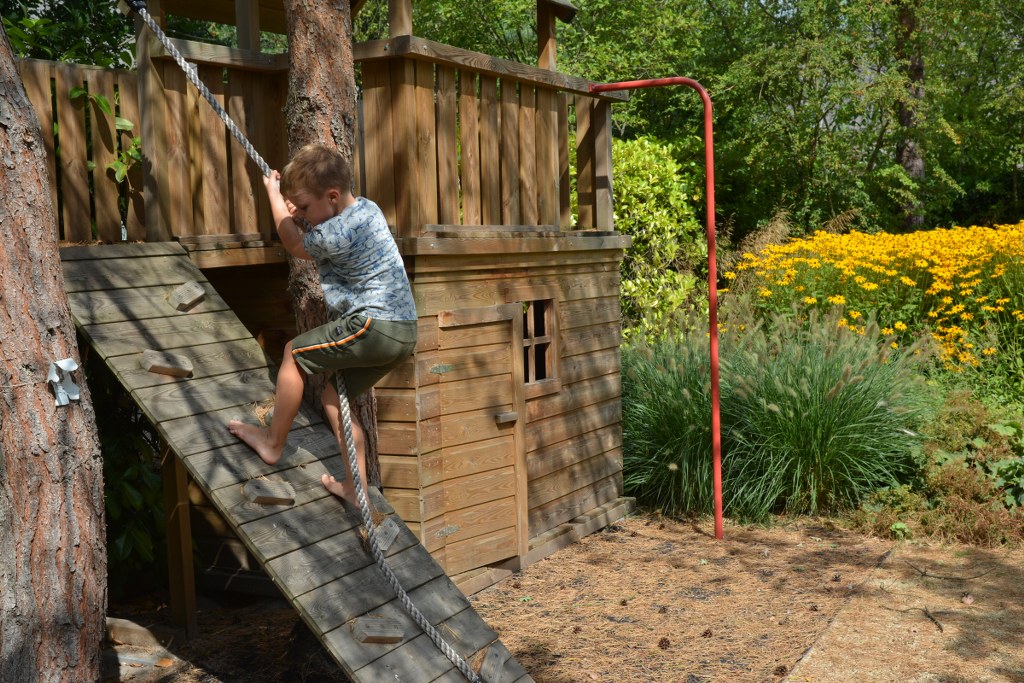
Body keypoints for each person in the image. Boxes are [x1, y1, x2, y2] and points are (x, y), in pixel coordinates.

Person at [228, 143, 417, 507]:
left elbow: (295, 245)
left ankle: (272, 442)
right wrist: (301, 211)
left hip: (374, 325)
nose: (300, 213)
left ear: (332, 196)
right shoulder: (367, 209)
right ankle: (356, 488)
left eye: (304, 207)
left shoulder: (334, 233)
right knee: (334, 398)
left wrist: (274, 197)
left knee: (293, 353)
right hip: (403, 333)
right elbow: (319, 224)